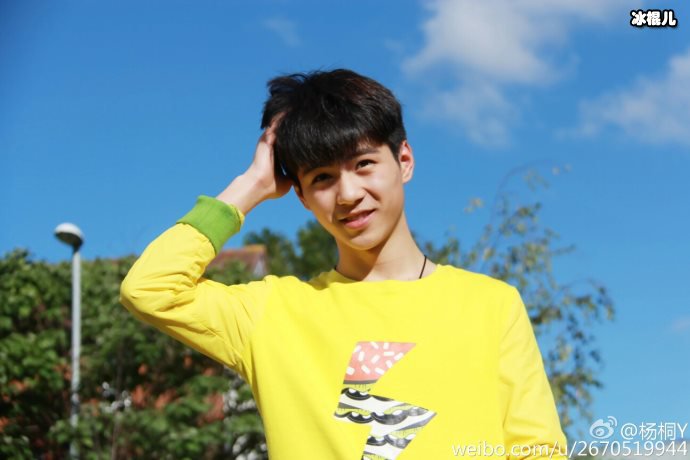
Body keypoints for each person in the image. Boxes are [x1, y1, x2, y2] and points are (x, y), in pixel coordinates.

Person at [120, 69, 568, 459]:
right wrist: (251, 185)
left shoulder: (491, 305)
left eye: (364, 164)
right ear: (300, 195)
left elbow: (537, 449)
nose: (349, 194)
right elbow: (150, 289)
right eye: (322, 178)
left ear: (404, 161)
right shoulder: (272, 314)